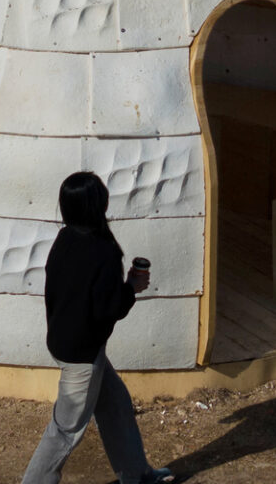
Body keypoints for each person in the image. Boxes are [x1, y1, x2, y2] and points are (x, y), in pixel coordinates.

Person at [20, 171, 176, 484]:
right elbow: (108, 309)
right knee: (65, 432)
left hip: (67, 343)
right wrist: (131, 287)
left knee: (115, 405)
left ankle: (137, 476)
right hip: (83, 355)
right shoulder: (102, 251)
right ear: (97, 204)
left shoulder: (65, 239)